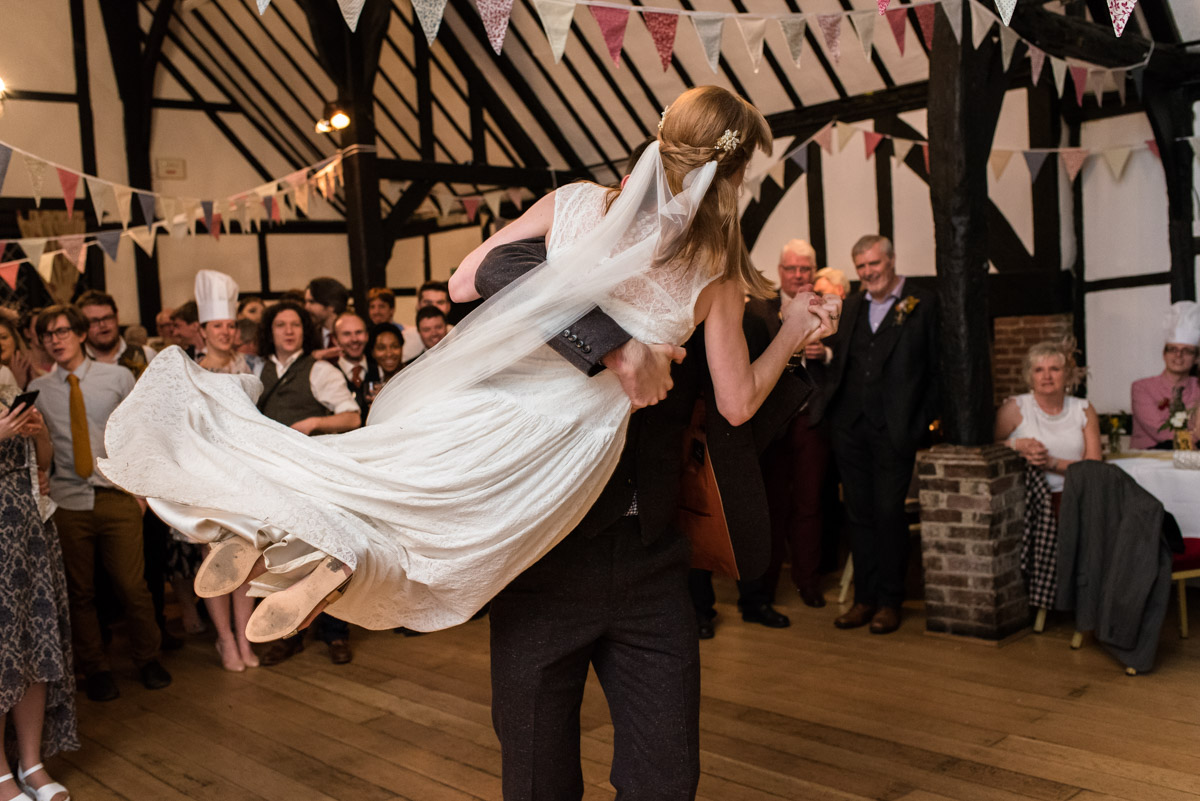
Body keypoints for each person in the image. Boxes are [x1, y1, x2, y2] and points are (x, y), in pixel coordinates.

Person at [97, 87, 835, 661]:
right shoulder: (713, 270)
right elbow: (737, 403)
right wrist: (793, 331)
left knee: (374, 479)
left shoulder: (575, 204)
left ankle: (263, 526)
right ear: (728, 174)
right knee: (443, 542)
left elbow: (461, 281)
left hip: (481, 400)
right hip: (563, 445)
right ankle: (324, 561)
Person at [30, 305, 171, 702]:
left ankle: (148, 658)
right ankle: (96, 668)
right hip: (67, 499)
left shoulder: (118, 377)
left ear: (80, 334)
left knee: (132, 586)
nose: (55, 340)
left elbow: (138, 434)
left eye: (62, 331)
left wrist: (141, 492)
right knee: (80, 592)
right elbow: (42, 447)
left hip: (116, 495)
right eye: (48, 335)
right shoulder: (40, 388)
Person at [823, 234, 939, 635]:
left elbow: (936, 368)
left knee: (889, 513)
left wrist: (922, 422)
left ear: (891, 260)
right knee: (858, 514)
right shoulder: (853, 306)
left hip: (895, 428)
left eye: (874, 263)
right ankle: (864, 600)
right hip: (850, 426)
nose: (868, 272)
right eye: (861, 266)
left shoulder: (922, 303)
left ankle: (890, 602)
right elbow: (843, 359)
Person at [239, 300, 360, 667]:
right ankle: (286, 634)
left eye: (295, 324)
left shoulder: (320, 370)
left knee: (325, 554)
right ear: (269, 331)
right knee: (280, 559)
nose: (289, 331)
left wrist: (313, 423)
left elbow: (352, 417)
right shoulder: (255, 371)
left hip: (313, 479)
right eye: (281, 325)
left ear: (305, 330)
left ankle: (336, 632)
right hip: (272, 481)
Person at [745, 239, 835, 609]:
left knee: (809, 505)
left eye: (804, 269)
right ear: (780, 272)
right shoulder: (759, 308)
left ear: (813, 271)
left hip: (811, 420)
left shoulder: (830, 306)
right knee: (772, 506)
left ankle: (807, 581)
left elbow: (849, 359)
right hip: (772, 423)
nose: (798, 275)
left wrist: (825, 352)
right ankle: (764, 588)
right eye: (791, 268)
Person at [0, 389, 77, 801]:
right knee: (2, 655)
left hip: (28, 534)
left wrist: (40, 433)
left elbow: (43, 464)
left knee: (35, 647)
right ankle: (0, 776)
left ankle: (31, 765)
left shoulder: (4, 394)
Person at [194, 271, 260, 671]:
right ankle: (225, 639)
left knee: (247, 561)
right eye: (216, 325)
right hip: (208, 480)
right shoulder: (192, 372)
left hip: (246, 477)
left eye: (230, 325)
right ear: (202, 330)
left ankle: (246, 637)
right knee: (215, 563)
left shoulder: (248, 369)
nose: (225, 331)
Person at [996, 340, 1102, 495]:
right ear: (1030, 376)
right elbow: (988, 448)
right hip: (1027, 499)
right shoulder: (1014, 408)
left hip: (1078, 497)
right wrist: (1016, 444)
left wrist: (1051, 463)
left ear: (1067, 374)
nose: (1047, 376)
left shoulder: (1084, 409)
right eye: (1039, 370)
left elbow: (1095, 468)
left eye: (1054, 369)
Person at [1130, 301, 1199, 449]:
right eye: (1173, 349)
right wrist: (1194, 438)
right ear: (1164, 354)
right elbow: (1159, 431)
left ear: (1196, 358)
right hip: (1148, 457)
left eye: (1187, 351)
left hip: (1192, 456)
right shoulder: (1142, 388)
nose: (1178, 355)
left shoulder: (1199, 387)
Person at [78, 290, 156, 379]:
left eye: (107, 318)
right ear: (82, 325)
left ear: (117, 317)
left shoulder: (147, 354)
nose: (102, 325)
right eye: (94, 321)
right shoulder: (76, 362)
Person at [333, 312, 380, 419]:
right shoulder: (327, 375)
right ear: (335, 340)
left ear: (367, 335)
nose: (354, 339)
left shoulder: (380, 370)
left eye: (358, 332)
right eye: (347, 334)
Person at [305, 277, 349, 357]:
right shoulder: (307, 338)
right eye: (306, 302)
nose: (306, 307)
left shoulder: (356, 334)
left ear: (331, 305)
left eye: (312, 302)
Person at [0, 316, 42, 389]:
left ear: (15, 339)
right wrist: (17, 382)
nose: (0, 344)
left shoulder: (31, 369)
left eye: (4, 337)